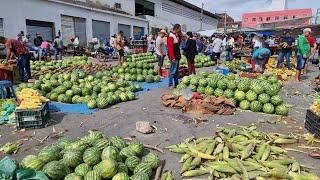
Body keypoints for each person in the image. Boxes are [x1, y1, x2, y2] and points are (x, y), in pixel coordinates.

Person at [167, 24, 182, 89]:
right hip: (174, 56)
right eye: (179, 29)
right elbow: (170, 48)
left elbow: (178, 44)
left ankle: (176, 83)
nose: (180, 30)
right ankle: (170, 84)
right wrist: (172, 57)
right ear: (176, 28)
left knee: (176, 71)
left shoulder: (175, 35)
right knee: (172, 71)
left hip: (177, 55)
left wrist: (180, 36)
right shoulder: (171, 36)